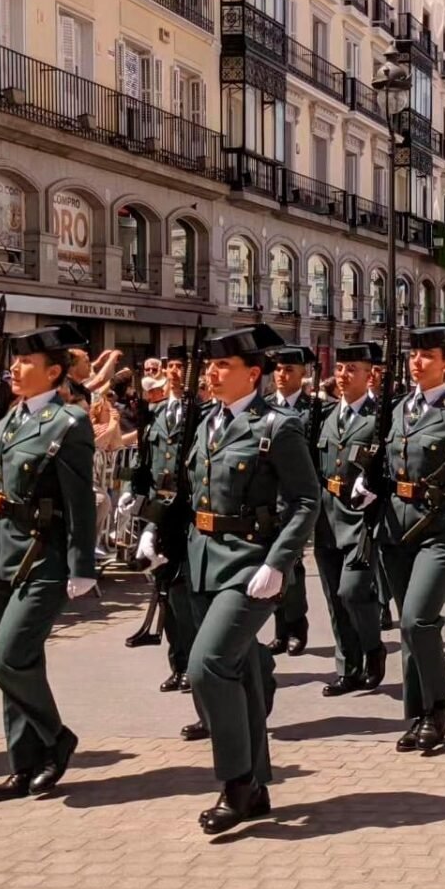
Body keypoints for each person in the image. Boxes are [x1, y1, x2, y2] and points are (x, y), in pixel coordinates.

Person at [184, 325, 319, 834]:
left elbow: (308, 500)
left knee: (208, 666)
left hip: (249, 564)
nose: (213, 374)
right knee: (238, 672)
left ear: (253, 374)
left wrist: (278, 562)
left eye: (224, 367)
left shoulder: (277, 427)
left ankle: (236, 784)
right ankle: (257, 786)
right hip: (202, 560)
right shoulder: (207, 423)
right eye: (211, 365)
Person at [0, 324, 96, 803]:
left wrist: (81, 564)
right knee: (20, 663)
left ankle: (57, 738)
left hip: (43, 555)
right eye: (16, 361)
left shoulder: (69, 423)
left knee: (4, 660)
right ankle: (24, 765)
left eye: (28, 363)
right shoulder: (7, 419)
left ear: (54, 372)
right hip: (0, 549)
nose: (16, 370)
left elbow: (80, 500)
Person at [357, 324, 445, 752]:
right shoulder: (394, 410)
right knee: (411, 631)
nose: (416, 362)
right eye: (413, 355)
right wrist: (367, 484)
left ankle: (438, 707)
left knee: (417, 619)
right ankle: (417, 715)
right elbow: (385, 467)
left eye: (426, 356)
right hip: (396, 529)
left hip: (439, 531)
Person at [125, 344, 200, 696]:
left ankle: (194, 665)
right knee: (164, 590)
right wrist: (131, 489)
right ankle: (178, 663)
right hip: (156, 512)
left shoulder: (201, 414)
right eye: (171, 365)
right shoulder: (154, 413)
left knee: (185, 594)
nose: (174, 372)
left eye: (182, 366)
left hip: (185, 514)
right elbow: (144, 458)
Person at [314, 342, 386, 696]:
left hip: (361, 519)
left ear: (369, 375)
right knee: (333, 597)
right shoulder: (323, 416)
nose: (343, 376)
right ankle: (348, 668)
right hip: (326, 517)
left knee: (353, 590)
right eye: (340, 369)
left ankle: (373, 647)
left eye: (352, 369)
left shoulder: (379, 418)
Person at [265, 345, 320, 657]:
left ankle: (297, 624)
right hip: (269, 498)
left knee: (292, 567)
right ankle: (279, 628)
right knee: (271, 564)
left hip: (297, 499)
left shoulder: (313, 411)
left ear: (303, 374)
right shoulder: (264, 408)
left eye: (289, 370)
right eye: (279, 370)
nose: (282, 376)